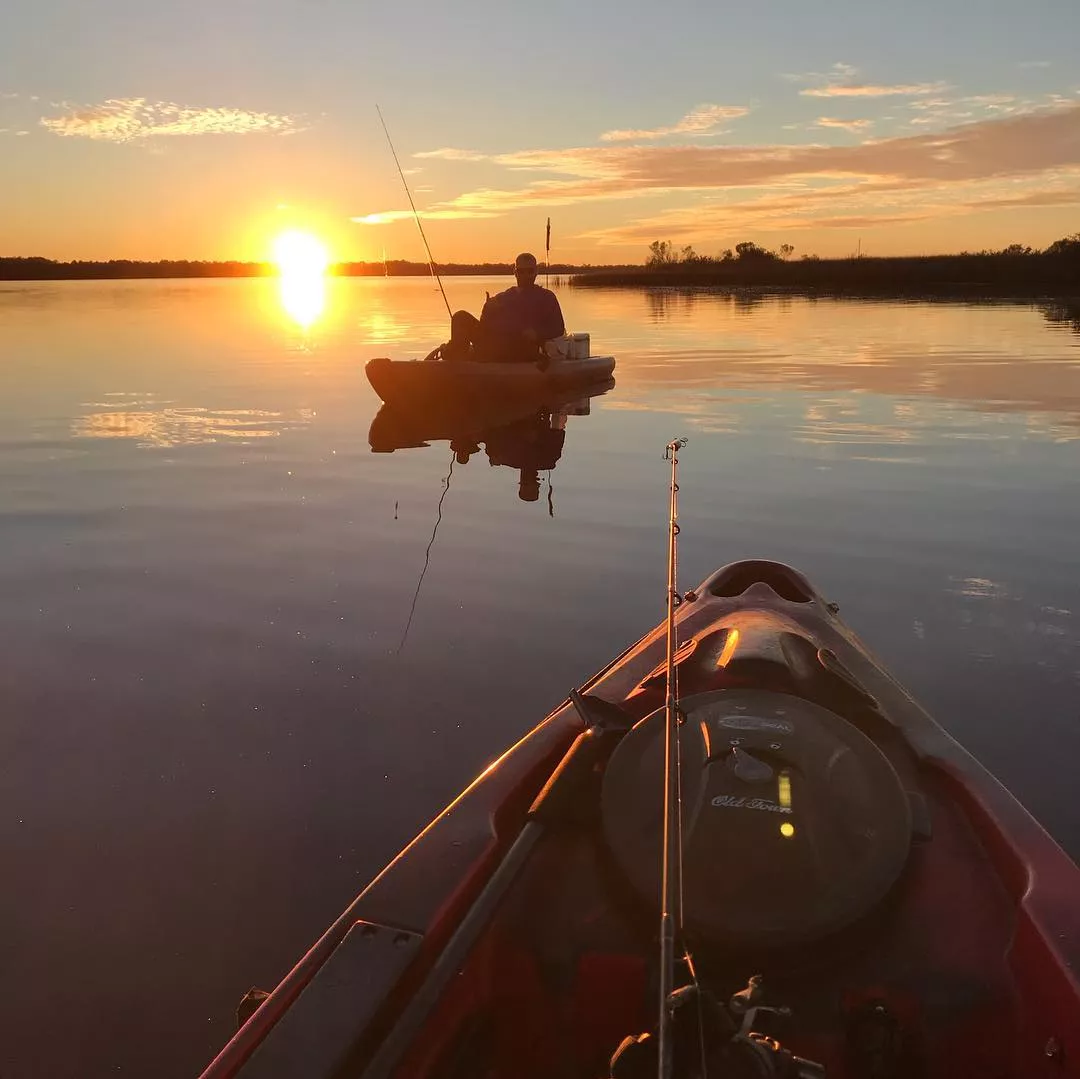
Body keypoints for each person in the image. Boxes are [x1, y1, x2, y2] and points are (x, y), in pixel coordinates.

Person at [442, 252, 565, 363]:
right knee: (460, 316)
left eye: (530, 271)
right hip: (493, 345)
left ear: (536, 272)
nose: (526, 275)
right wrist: (487, 309)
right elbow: (485, 325)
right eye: (521, 271)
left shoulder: (547, 297)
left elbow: (558, 328)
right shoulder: (502, 297)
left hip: (521, 349)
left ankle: (463, 357)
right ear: (515, 272)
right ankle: (457, 358)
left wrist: (537, 334)